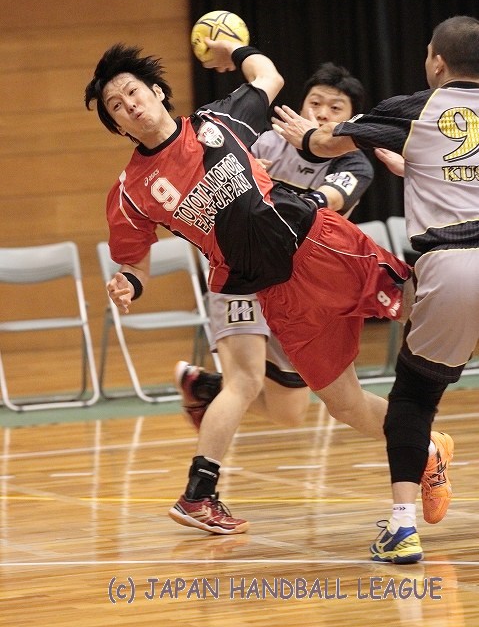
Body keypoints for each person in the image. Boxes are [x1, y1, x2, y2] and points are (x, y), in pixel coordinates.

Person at [84, 37, 436, 539]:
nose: (130, 105)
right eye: (117, 106)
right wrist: (128, 283)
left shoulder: (218, 120)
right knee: (343, 404)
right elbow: (134, 262)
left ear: (157, 91)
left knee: (421, 309)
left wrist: (234, 48)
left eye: (133, 92)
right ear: (118, 126)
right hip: (269, 290)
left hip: (316, 243)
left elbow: (268, 76)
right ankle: (427, 448)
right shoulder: (130, 192)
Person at [271, 14, 479, 563]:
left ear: (438, 61)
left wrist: (305, 136)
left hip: (454, 266)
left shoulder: (415, 109)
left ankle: (403, 528)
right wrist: (417, 170)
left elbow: (326, 144)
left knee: (413, 399)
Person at [176, 62, 374, 431]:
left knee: (289, 413)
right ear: (301, 106)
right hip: (243, 273)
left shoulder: (354, 162)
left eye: (335, 108)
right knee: (246, 381)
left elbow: (328, 199)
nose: (322, 113)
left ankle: (205, 387)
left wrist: (263, 187)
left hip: (298, 285)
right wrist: (241, 171)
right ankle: (206, 466)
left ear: (351, 120)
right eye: (315, 102)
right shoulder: (262, 142)